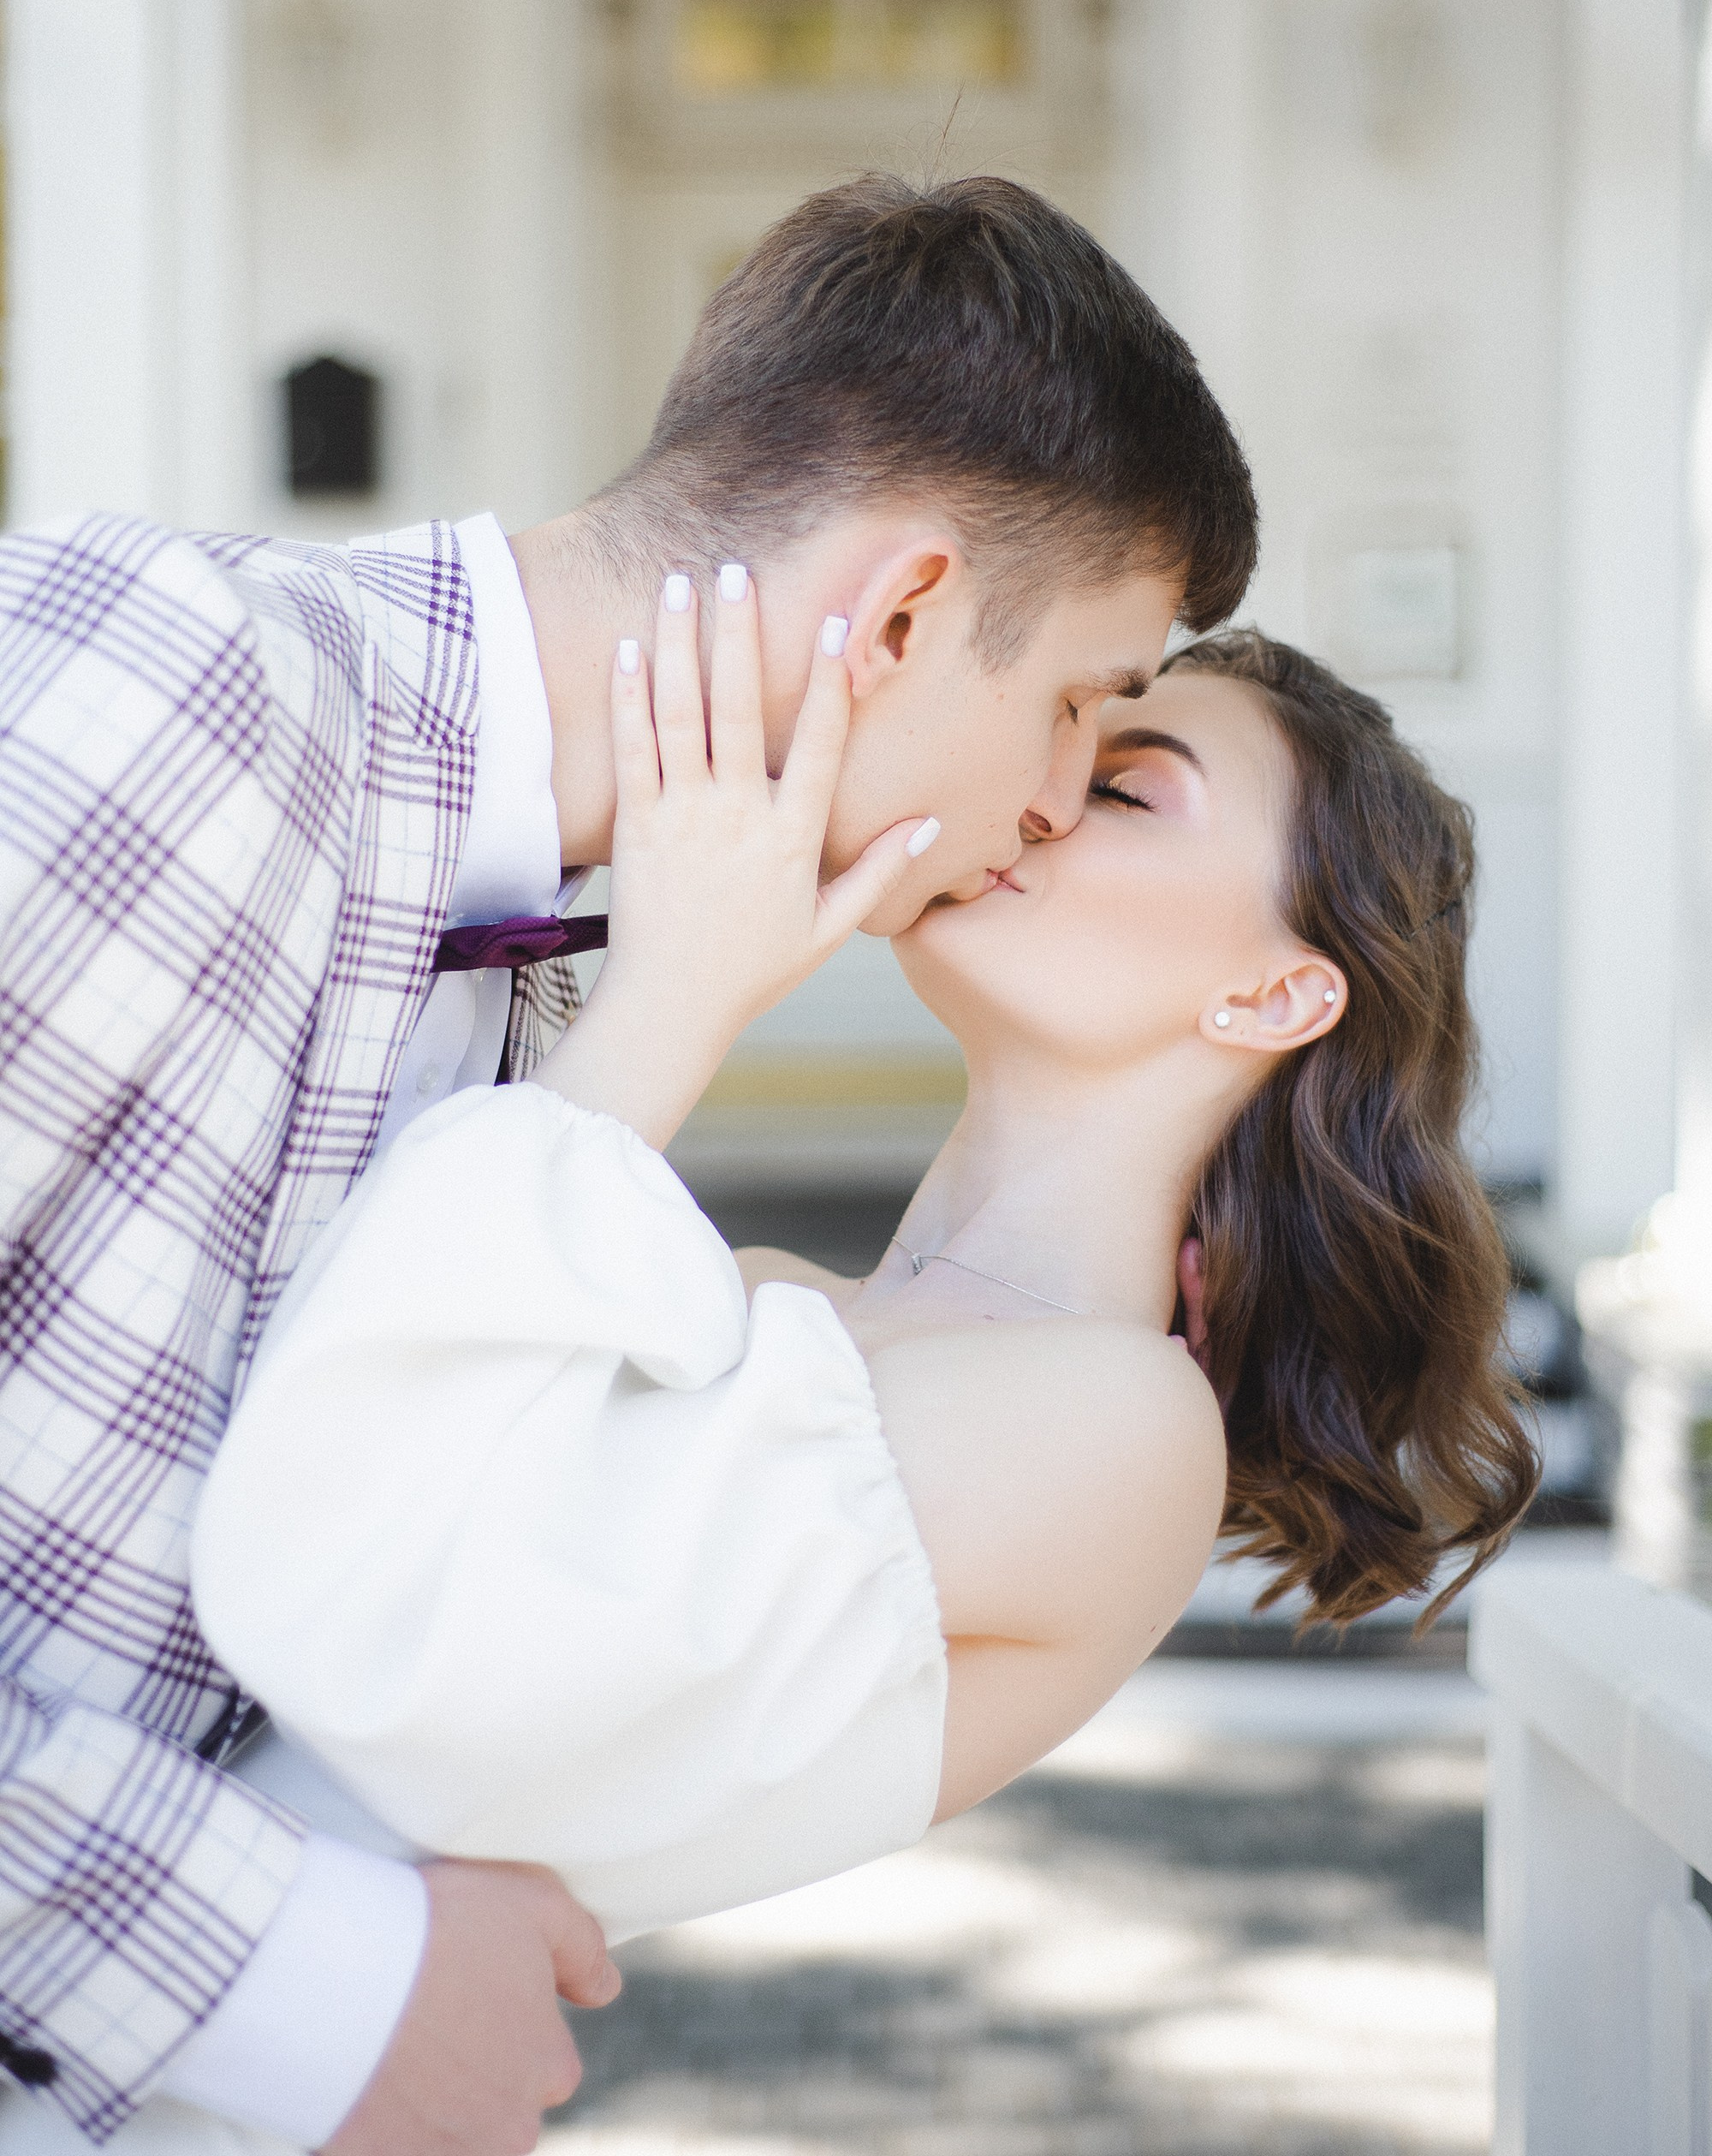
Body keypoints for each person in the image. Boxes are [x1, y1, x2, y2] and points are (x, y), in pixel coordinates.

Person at [0, 175, 1257, 2150]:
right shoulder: (171, 684)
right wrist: (278, 1970)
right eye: (1077, 710)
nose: (1042, 806)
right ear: (907, 613)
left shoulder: (576, 974)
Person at [125, 601, 1531, 2156]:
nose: (1044, 796)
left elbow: (401, 1614)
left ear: (1275, 995)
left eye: (1126, 783)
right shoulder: (775, 1299)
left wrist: (673, 1004)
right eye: (1056, 738)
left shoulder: (1125, 1433)